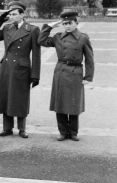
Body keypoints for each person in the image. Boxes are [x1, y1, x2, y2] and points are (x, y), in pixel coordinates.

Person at [0, 2, 41, 138]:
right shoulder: (6, 28)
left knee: (20, 98)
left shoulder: (32, 29)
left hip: (22, 69)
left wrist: (35, 75)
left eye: (14, 14)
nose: (12, 17)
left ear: (22, 14)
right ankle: (7, 128)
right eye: (10, 14)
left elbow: (36, 54)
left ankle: (22, 129)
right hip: (7, 67)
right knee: (6, 97)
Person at [38, 11, 94, 141]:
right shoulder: (58, 37)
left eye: (70, 23)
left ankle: (73, 132)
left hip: (76, 73)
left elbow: (89, 59)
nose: (67, 26)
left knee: (74, 104)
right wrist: (49, 26)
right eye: (65, 24)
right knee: (60, 103)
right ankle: (63, 132)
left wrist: (88, 77)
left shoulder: (83, 38)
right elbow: (41, 41)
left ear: (76, 23)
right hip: (61, 72)